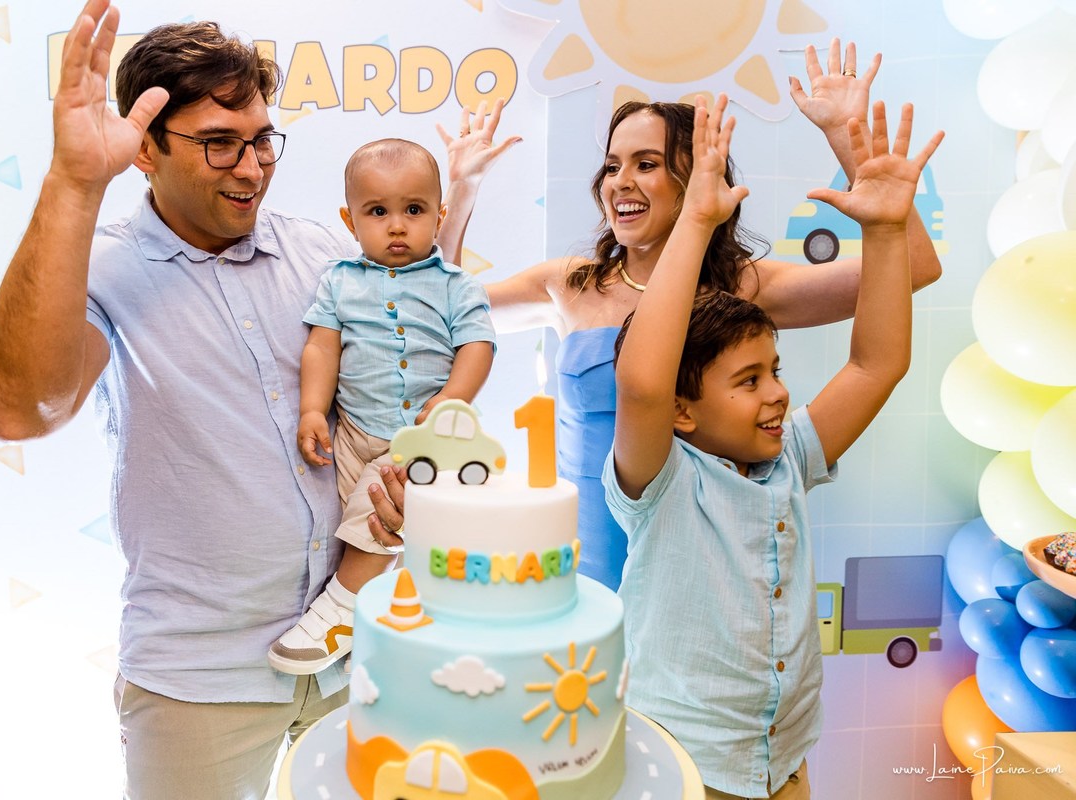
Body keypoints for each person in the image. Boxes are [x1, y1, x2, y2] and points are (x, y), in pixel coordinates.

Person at [0, 3, 409, 797]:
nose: (251, 168)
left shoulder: (320, 251)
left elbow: (388, 385)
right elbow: (14, 409)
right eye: (218, 145)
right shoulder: (101, 270)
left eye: (262, 139)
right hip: (199, 677)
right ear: (146, 151)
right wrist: (71, 184)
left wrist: (397, 473)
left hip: (359, 655)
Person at [441, 40, 942, 591]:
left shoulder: (744, 287)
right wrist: (461, 190)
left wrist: (850, 142)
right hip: (586, 559)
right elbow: (439, 312)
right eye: (612, 166)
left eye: (646, 164)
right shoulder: (570, 283)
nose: (620, 181)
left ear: (695, 181)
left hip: (703, 553)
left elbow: (913, 267)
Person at [605, 94, 942, 798]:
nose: (778, 395)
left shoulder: (790, 454)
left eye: (776, 372)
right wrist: (697, 217)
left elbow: (876, 363)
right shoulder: (663, 478)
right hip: (683, 767)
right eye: (749, 381)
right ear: (682, 412)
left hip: (780, 762)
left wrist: (883, 228)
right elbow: (641, 383)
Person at [268, 139, 494, 675]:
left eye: (414, 211)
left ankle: (340, 613)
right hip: (351, 433)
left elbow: (478, 346)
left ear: (439, 216)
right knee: (344, 510)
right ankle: (378, 623)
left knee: (380, 511)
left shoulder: (455, 286)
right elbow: (321, 345)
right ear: (350, 220)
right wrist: (311, 411)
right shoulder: (340, 281)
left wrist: (451, 400)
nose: (397, 226)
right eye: (378, 212)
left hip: (422, 440)